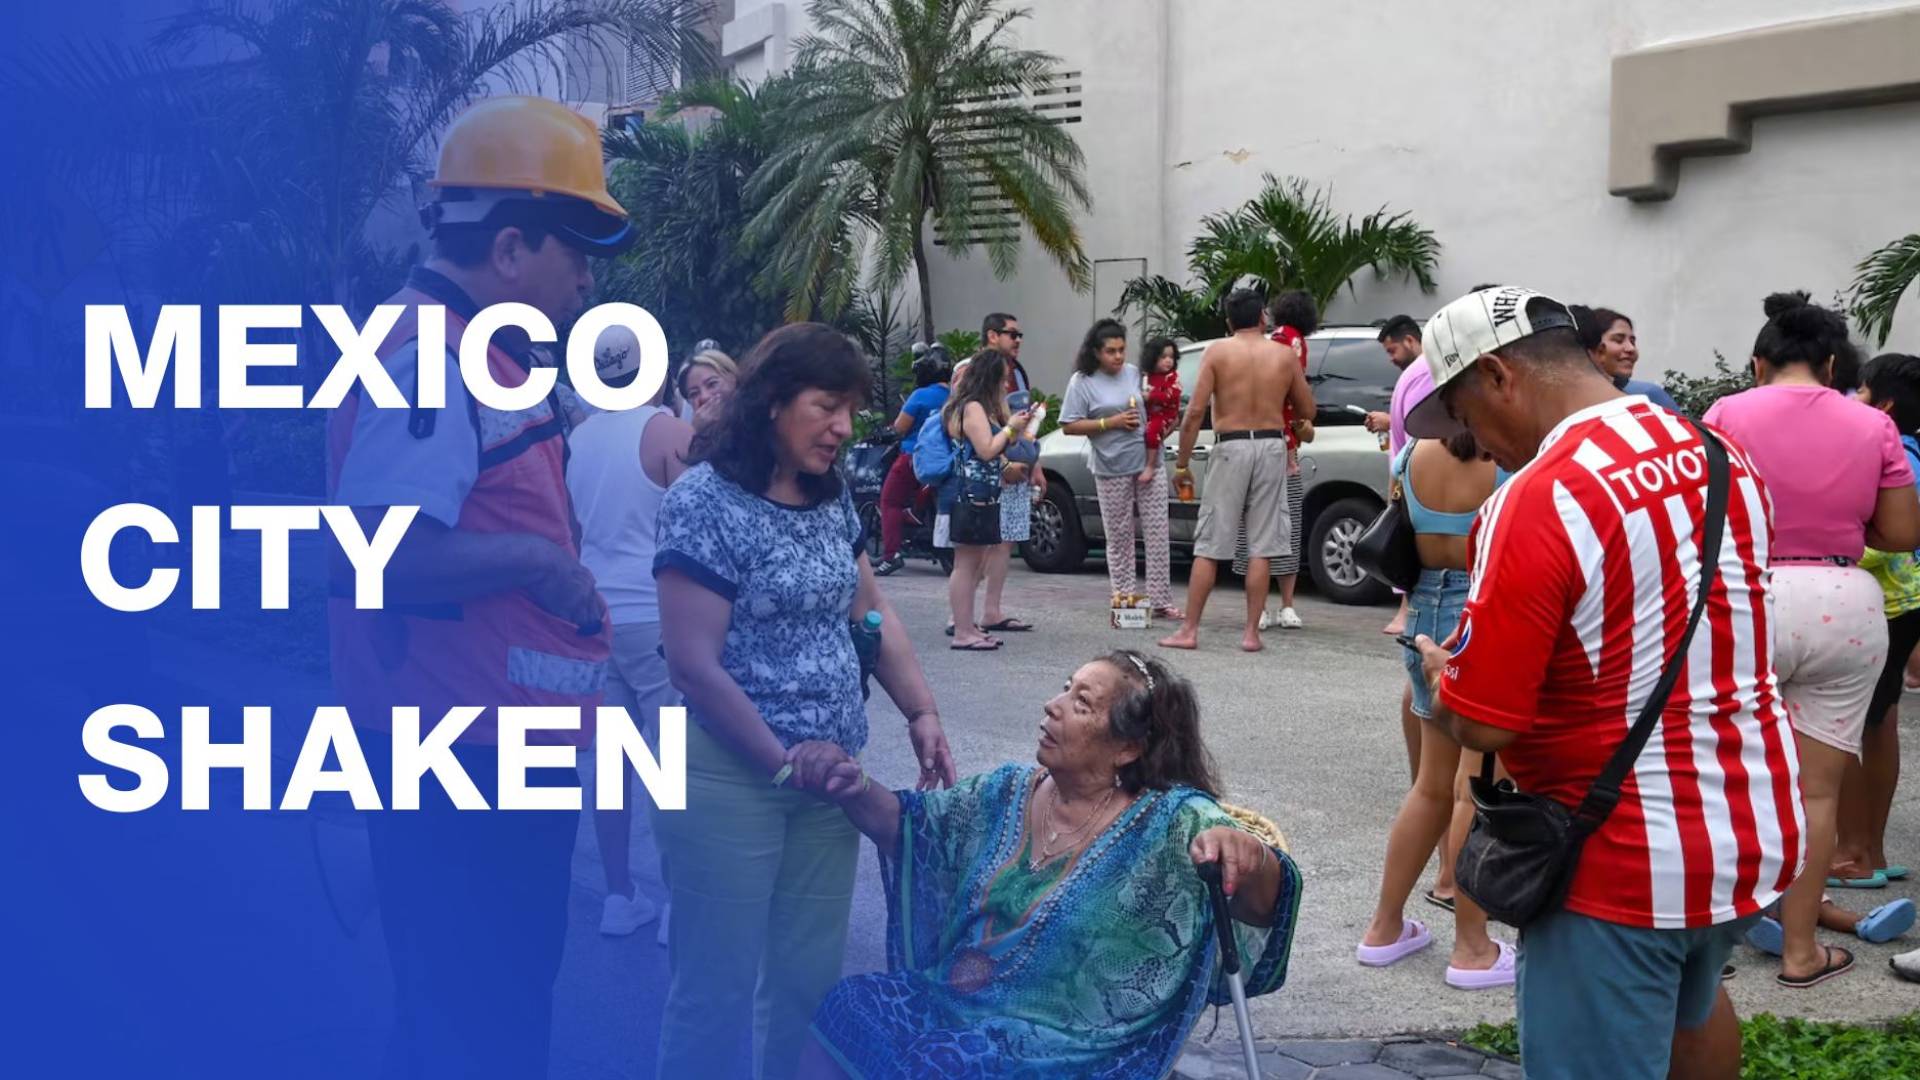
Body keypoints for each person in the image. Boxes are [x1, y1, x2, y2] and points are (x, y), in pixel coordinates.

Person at [1407, 286, 1804, 1079]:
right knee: (1693, 1008)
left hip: (1618, 856)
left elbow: (1486, 725)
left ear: (1497, 376)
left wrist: (1442, 677)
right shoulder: (1717, 452)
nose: (1471, 441)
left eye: (1461, 415)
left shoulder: (1539, 496)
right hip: (1751, 823)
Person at [326, 95, 632, 1079]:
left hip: (482, 749)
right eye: (576, 250)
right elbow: (375, 551)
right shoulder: (434, 356)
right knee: (478, 1022)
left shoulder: (473, 351)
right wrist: (543, 565)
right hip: (460, 764)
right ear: (509, 248)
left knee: (468, 1011)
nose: (588, 279)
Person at [651, 324, 956, 1079]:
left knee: (805, 987)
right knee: (713, 989)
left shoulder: (829, 498)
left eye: (852, 409)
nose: (845, 428)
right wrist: (785, 764)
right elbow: (693, 666)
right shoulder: (704, 502)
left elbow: (869, 613)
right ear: (772, 403)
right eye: (828, 406)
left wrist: (921, 712)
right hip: (728, 776)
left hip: (830, 783)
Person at [790, 651, 1303, 1079]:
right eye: (1064, 689)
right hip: (956, 1003)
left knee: (940, 1064)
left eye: (1080, 703)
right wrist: (851, 784)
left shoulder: (1172, 820)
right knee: (850, 1006)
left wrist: (1249, 854)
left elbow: (1264, 901)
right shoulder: (1007, 791)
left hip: (1074, 1045)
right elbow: (914, 828)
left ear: (1128, 747)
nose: (1052, 706)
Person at [1704, 294, 1920, 987]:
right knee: (1816, 793)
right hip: (1842, 602)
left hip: (1744, 597)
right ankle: (1801, 952)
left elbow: (1696, 512)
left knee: (1718, 776)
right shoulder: (1872, 424)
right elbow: (1901, 533)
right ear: (1831, 363)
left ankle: (1707, 951)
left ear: (1758, 363)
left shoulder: (1724, 414)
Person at [1356, 425, 1512, 990]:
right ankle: (1472, 948)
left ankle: (1384, 927)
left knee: (1430, 785)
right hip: (1481, 617)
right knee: (1474, 789)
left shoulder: (1409, 456)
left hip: (1422, 617)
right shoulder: (1508, 459)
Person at [567, 327, 693, 941]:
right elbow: (701, 524)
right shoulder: (669, 432)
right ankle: (678, 905)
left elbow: (567, 529)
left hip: (593, 616)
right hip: (656, 616)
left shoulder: (576, 439)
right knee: (670, 764)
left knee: (608, 766)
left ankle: (619, 896)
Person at [1161, 288, 1314, 652]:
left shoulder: (1217, 352)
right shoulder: (1283, 355)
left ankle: (1190, 630)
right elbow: (1307, 407)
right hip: (1272, 445)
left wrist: (1182, 463)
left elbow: (1195, 413)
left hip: (1231, 444)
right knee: (1262, 544)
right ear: (1263, 316)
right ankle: (1251, 634)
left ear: (1229, 321)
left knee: (1211, 543)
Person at [1834, 353, 1920, 887]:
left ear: (1882, 404)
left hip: (1881, 608)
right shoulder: (1914, 450)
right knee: (1879, 722)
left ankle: (1855, 852)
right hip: (1903, 608)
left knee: (1841, 726)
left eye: (1860, 392)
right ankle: (1873, 848)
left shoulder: (1896, 459)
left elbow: (1889, 540)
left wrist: (1824, 544)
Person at [1060, 319, 1178, 618]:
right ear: (1096, 352)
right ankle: (1126, 603)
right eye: (1110, 351)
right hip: (1111, 466)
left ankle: (1160, 601)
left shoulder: (1133, 374)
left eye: (1122, 349)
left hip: (1148, 460)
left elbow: (1151, 407)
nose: (1118, 357)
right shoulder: (1082, 381)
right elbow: (1069, 426)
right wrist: (1109, 423)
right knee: (1120, 537)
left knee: (1157, 532)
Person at [1238, 290, 1318, 631]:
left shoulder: (1268, 340)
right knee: (1287, 525)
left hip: (1255, 442)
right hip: (1283, 446)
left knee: (1255, 528)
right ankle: (1286, 605)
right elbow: (1296, 393)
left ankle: (1261, 609)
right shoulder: (1293, 342)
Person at [943, 351, 1034, 651]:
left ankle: (970, 627)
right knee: (966, 565)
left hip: (982, 492)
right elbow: (986, 449)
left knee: (976, 562)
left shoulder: (978, 407)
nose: (1006, 384)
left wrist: (1014, 425)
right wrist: (1011, 430)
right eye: (1003, 378)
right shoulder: (972, 408)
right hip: (972, 492)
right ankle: (962, 631)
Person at [980, 312, 1042, 633]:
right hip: (985, 468)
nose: (1018, 340)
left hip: (1017, 467)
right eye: (1012, 334)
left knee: (1005, 542)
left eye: (1020, 335)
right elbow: (962, 423)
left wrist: (1035, 466)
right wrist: (1002, 463)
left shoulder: (1016, 372)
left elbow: (1026, 422)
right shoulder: (971, 371)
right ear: (992, 335)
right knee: (975, 544)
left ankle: (992, 611)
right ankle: (959, 615)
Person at [1368, 315, 1429, 638]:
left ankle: (1406, 609)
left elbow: (1420, 429)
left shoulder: (1422, 374)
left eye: (1392, 350)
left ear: (1410, 341)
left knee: (1408, 540)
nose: (1391, 359)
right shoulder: (1416, 374)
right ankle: (1406, 608)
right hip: (1406, 469)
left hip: (1412, 472)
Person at [876, 346, 952, 575]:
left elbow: (899, 428)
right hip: (947, 459)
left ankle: (891, 556)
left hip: (914, 459)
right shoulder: (956, 396)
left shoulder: (920, 396)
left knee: (889, 501)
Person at [1569, 305, 1683, 412]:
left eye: (1633, 342)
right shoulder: (1565, 401)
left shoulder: (1649, 395)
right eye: (1618, 340)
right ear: (1595, 347)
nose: (1631, 349)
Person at [1141, 336, 1183, 460]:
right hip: (1149, 415)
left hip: (1165, 415)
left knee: (1152, 432)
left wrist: (1151, 396)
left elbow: (1171, 395)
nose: (1168, 360)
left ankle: (1150, 465)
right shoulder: (1147, 377)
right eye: (1163, 357)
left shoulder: (1172, 377)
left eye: (1171, 357)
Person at [680, 346, 739, 432]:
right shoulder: (694, 435)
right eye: (694, 393)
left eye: (712, 384)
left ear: (733, 378)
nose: (705, 397)